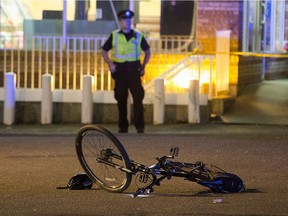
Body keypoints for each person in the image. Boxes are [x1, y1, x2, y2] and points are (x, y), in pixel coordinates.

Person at [102, 9, 151, 133]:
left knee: (138, 99)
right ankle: (123, 126)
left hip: (134, 71)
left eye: (129, 19)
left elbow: (147, 51)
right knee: (121, 99)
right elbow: (104, 51)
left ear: (132, 21)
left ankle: (139, 126)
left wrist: (144, 65)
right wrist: (110, 64)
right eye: (125, 20)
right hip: (120, 72)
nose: (127, 22)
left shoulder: (138, 35)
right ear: (120, 21)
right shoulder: (115, 35)